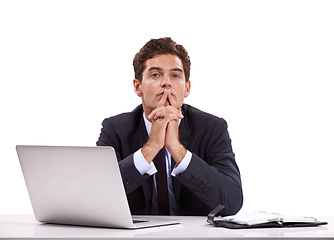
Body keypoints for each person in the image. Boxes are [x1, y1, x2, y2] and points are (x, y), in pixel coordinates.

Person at [97, 37, 243, 216]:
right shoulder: (115, 129)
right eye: (156, 75)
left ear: (187, 88)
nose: (166, 83)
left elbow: (232, 201)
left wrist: (176, 148)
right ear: (138, 87)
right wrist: (150, 148)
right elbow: (97, 196)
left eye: (175, 75)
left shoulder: (212, 128)